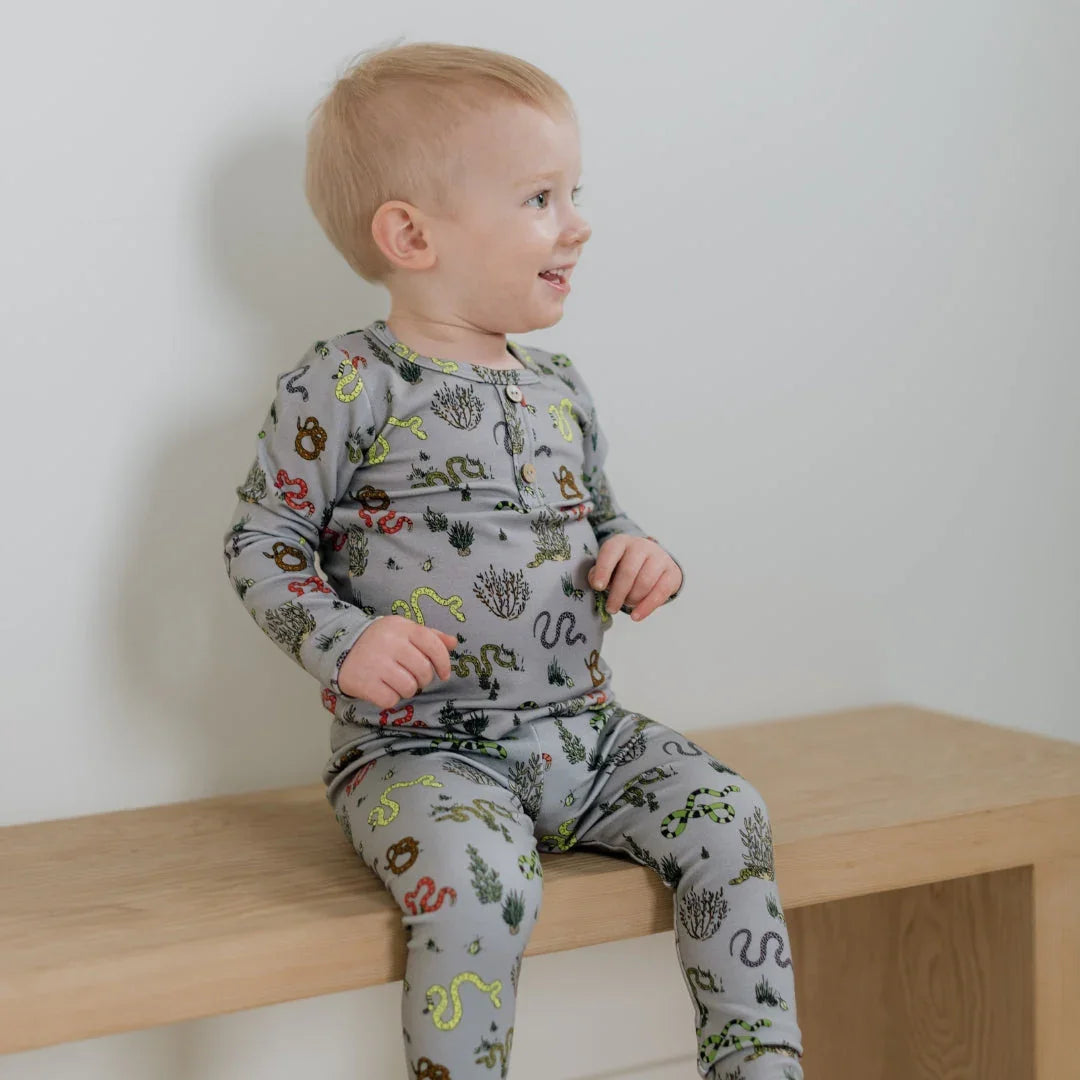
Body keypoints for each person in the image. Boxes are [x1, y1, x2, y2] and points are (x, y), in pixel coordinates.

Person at [222, 39, 804, 1080]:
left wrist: (640, 556)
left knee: (731, 815)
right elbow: (263, 540)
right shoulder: (349, 382)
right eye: (541, 196)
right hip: (419, 754)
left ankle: (758, 1067)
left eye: (575, 191)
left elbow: (608, 521)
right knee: (484, 877)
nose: (577, 222)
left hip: (585, 738)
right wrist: (342, 641)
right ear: (410, 234)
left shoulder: (560, 387)